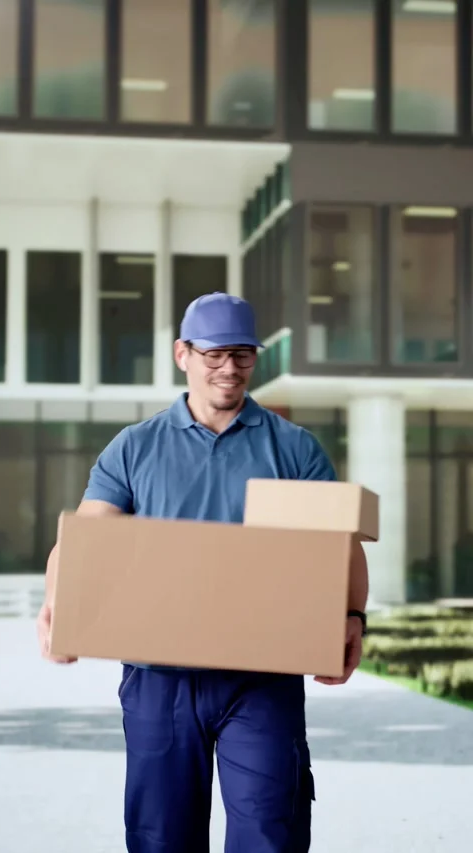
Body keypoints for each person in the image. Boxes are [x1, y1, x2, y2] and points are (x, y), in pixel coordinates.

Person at [37, 291, 368, 853]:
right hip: (159, 677)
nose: (229, 368)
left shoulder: (294, 450)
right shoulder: (135, 447)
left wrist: (354, 617)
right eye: (214, 354)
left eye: (242, 354)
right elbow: (86, 537)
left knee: (269, 831)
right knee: (161, 835)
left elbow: (342, 543)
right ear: (182, 354)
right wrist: (58, 606)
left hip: (262, 676)